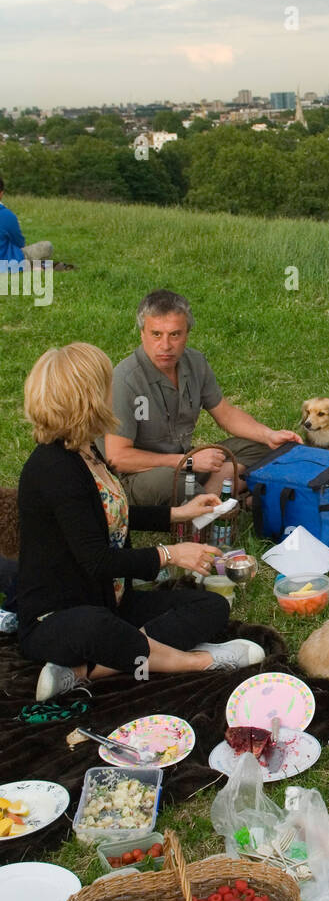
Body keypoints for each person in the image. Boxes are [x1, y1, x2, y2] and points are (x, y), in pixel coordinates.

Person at [17, 343, 267, 702]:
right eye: (105, 384)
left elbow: (106, 515)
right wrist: (170, 554)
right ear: (87, 397)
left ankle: (85, 671)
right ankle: (197, 662)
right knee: (97, 626)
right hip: (58, 619)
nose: (112, 391)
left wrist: (178, 514)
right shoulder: (54, 469)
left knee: (211, 607)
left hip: (110, 604)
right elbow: (98, 561)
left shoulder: (86, 449)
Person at [105, 289, 300, 503]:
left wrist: (268, 435)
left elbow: (225, 413)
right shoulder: (125, 380)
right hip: (141, 475)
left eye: (175, 334)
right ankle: (217, 498)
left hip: (187, 462)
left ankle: (205, 499)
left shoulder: (195, 363)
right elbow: (118, 457)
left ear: (187, 333)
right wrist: (188, 462)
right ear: (142, 333)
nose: (166, 346)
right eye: (156, 334)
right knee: (173, 480)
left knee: (264, 448)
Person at [0, 175, 53, 269]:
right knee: (46, 246)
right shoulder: (7, 215)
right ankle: (32, 265)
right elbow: (19, 243)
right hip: (7, 263)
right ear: (1, 193)